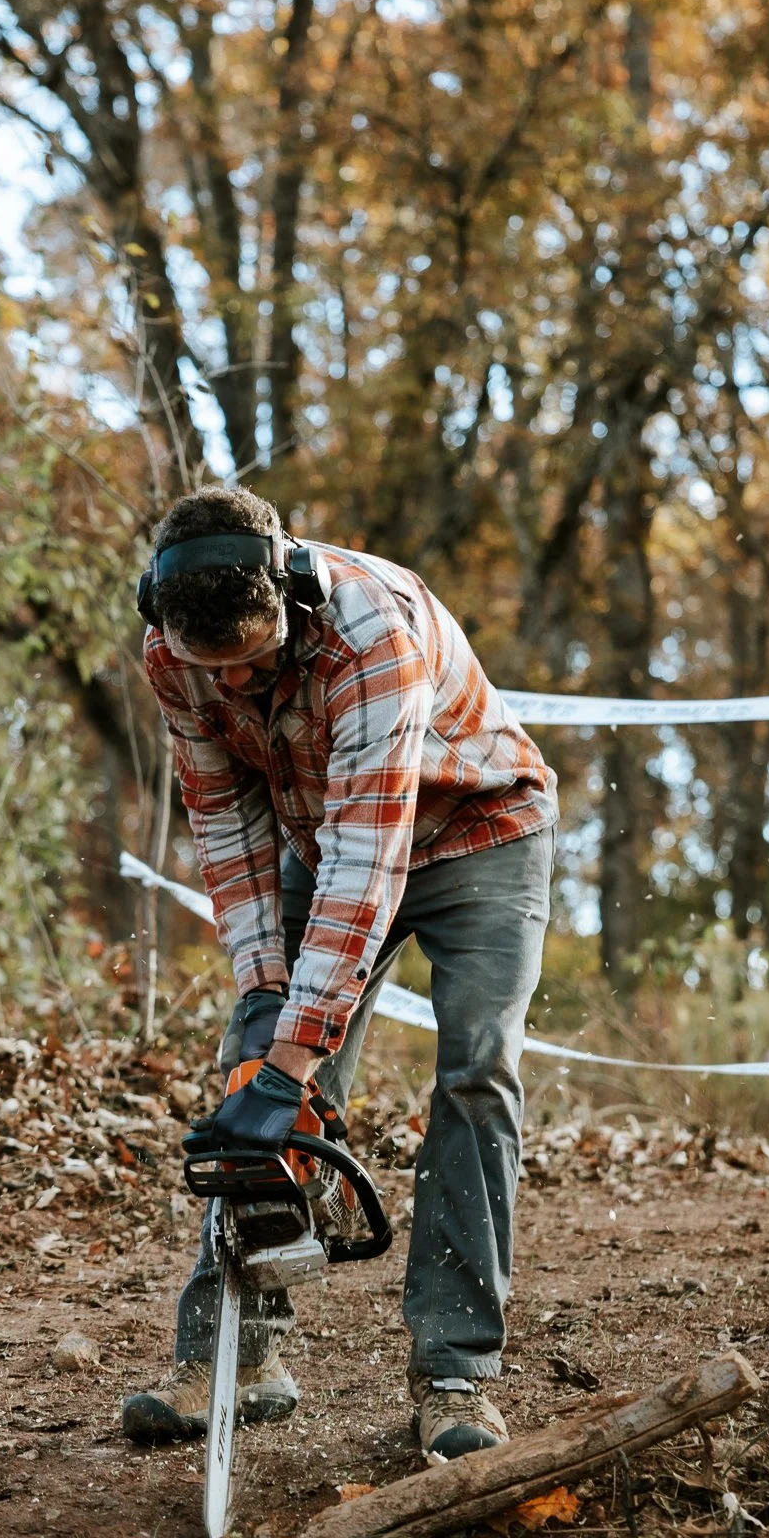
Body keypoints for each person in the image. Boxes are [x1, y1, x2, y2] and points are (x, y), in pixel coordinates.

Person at [121, 485, 557, 1462]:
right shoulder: (171, 651)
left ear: (288, 591)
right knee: (254, 1062)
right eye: (214, 668)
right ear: (165, 618)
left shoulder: (374, 634)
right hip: (327, 839)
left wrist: (298, 1055)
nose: (237, 683)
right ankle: (232, 1358)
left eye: (258, 659)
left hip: (480, 831)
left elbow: (370, 860)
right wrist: (267, 997)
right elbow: (227, 827)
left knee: (475, 1069)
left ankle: (455, 1374)